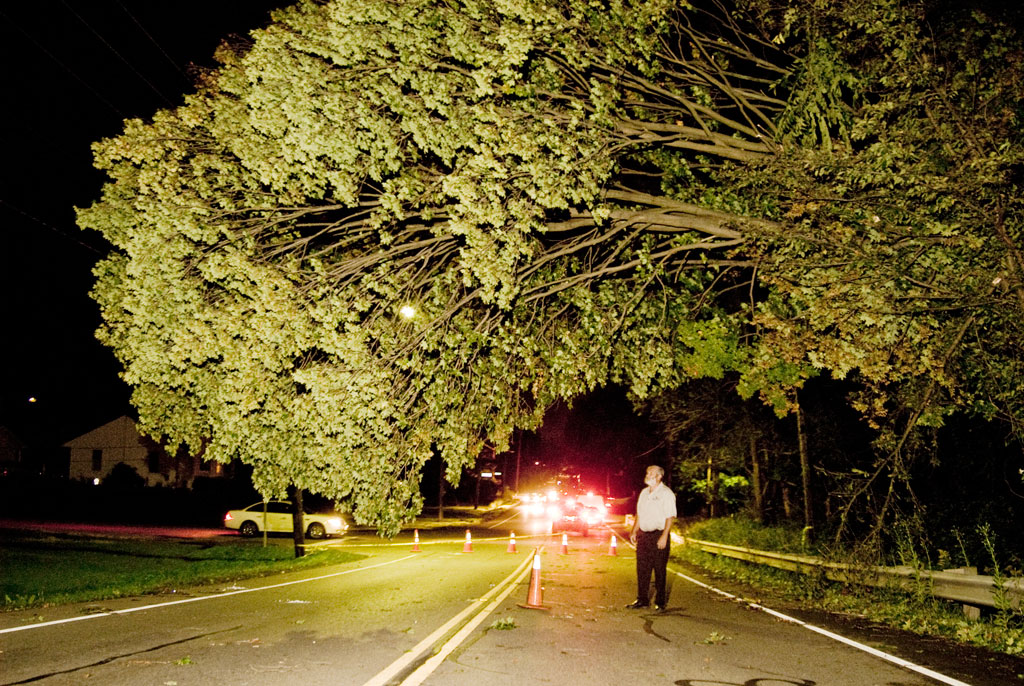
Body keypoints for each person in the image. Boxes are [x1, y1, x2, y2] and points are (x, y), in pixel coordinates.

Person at [627, 465, 677, 611]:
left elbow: (670, 516)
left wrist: (664, 536)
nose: (648, 474)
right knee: (642, 569)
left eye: (651, 473)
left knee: (659, 570)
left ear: (659, 476)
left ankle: (660, 603)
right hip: (644, 536)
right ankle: (642, 600)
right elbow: (640, 514)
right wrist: (634, 531)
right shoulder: (644, 493)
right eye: (647, 472)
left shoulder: (666, 494)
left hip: (658, 535)